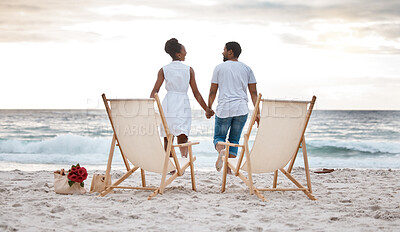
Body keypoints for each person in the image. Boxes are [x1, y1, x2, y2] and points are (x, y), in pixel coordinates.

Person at [151, 38, 214, 158]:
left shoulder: (163, 69)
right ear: (178, 54)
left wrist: (148, 107)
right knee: (183, 135)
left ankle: (170, 165)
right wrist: (206, 109)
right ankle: (184, 160)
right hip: (183, 102)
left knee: (167, 136)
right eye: (184, 51)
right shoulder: (189, 70)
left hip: (168, 103)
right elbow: (196, 93)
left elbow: (155, 90)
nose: (186, 53)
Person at [206, 41, 259, 172]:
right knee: (234, 139)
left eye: (224, 50)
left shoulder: (219, 68)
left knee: (219, 138)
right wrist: (258, 112)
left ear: (231, 52)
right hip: (241, 109)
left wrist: (209, 107)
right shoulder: (247, 68)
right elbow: (253, 93)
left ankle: (221, 150)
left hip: (224, 108)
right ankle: (229, 170)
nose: (222, 52)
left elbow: (213, 91)